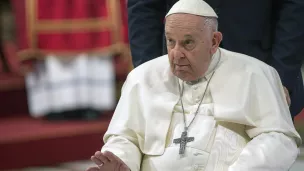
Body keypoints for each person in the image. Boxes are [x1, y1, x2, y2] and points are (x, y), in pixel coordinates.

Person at [86, 0, 302, 170]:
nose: (176, 54)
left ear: (214, 41)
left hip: (253, 46)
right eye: (171, 41)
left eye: (188, 43)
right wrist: (122, 162)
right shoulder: (145, 78)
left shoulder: (257, 75)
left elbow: (277, 139)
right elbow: (126, 137)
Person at [127, 0, 304, 118]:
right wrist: (151, 75)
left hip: (259, 66)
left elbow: (294, 7)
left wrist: (280, 77)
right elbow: (143, 7)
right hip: (176, 77)